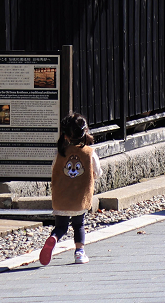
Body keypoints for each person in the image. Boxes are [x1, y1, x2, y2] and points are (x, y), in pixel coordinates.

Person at [40, 112, 101, 266]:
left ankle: (53, 238)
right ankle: (79, 253)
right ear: (85, 132)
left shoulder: (60, 153)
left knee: (60, 227)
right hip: (79, 199)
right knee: (78, 224)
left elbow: (53, 169)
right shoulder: (89, 153)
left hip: (61, 198)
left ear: (65, 135)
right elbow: (98, 173)